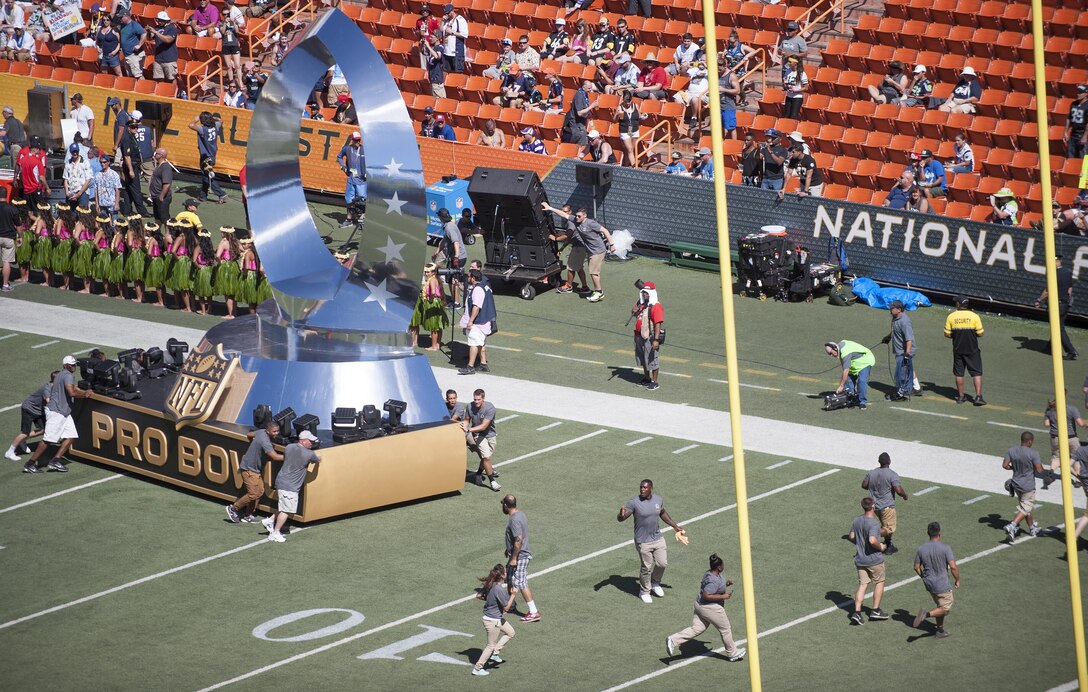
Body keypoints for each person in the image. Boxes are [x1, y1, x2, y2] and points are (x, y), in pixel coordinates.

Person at [665, 553, 746, 662]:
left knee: (697, 629)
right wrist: (724, 596)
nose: (723, 566)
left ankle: (673, 640)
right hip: (710, 608)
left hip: (700, 606)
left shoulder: (709, 573)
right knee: (725, 629)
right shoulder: (713, 580)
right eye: (722, 565)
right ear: (719, 567)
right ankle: (732, 653)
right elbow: (707, 595)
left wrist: (726, 584)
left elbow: (714, 588)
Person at [618, 479, 687, 603]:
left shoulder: (658, 500)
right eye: (641, 487)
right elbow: (623, 517)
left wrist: (675, 526)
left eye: (645, 488)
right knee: (647, 567)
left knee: (662, 563)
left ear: (651, 488)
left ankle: (655, 583)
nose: (642, 489)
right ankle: (644, 592)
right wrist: (621, 515)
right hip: (643, 541)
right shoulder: (634, 502)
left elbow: (663, 513)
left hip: (657, 538)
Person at [24, 355, 91, 473]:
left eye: (75, 364)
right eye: (71, 365)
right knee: (47, 440)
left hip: (63, 412)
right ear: (65, 365)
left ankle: (55, 460)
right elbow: (71, 392)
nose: (74, 366)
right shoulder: (68, 376)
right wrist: (84, 395)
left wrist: (83, 391)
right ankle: (30, 463)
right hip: (57, 412)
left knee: (71, 436)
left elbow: (72, 389)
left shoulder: (61, 374)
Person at [540, 202, 614, 303]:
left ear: (585, 216)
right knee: (589, 271)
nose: (577, 217)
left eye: (579, 216)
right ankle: (589, 289)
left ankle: (599, 292)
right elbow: (563, 215)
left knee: (593, 272)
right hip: (590, 250)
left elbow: (605, 230)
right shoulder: (574, 219)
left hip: (598, 250)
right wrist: (550, 208)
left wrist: (612, 244)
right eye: (577, 215)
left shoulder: (590, 223)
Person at [261, 430, 320, 542]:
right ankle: (275, 532)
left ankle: (270, 520)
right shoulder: (309, 454)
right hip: (290, 486)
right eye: (310, 441)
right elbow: (316, 460)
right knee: (287, 511)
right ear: (303, 441)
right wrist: (319, 458)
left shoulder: (288, 447)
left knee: (284, 507)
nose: (312, 443)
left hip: (281, 481)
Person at [226, 420, 284, 523]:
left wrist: (253, 445)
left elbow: (249, 435)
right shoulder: (265, 441)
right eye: (274, 431)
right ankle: (233, 509)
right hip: (249, 469)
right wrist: (289, 456)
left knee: (259, 492)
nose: (276, 433)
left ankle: (247, 515)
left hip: (256, 470)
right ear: (267, 431)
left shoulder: (260, 432)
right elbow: (274, 456)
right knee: (252, 494)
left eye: (277, 431)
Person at [911, 522, 960, 639]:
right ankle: (926, 614)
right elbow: (953, 566)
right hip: (942, 584)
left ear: (928, 533)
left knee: (940, 605)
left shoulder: (921, 549)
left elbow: (916, 567)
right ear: (939, 533)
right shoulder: (945, 548)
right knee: (946, 609)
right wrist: (957, 579)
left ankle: (940, 630)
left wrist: (923, 576)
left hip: (929, 584)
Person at [847, 497, 889, 624]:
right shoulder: (874, 523)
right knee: (879, 582)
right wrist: (881, 547)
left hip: (860, 559)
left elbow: (851, 536)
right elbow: (872, 540)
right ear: (873, 506)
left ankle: (857, 612)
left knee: (863, 585)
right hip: (874, 559)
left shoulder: (857, 520)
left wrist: (860, 543)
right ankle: (875, 610)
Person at [940, 294, 986, 406]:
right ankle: (978, 397)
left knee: (959, 373)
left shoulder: (951, 316)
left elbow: (947, 334)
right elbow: (980, 333)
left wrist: (956, 336)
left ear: (958, 304)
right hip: (972, 349)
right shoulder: (974, 316)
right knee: (976, 373)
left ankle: (961, 397)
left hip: (958, 349)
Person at [471, 563, 515, 677]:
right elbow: (506, 608)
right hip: (492, 621)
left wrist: (491, 601)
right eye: (505, 572)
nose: (507, 573)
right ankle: (477, 668)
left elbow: (478, 596)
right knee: (490, 645)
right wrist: (513, 595)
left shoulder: (491, 585)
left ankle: (495, 653)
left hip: (496, 618)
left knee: (510, 632)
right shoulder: (499, 589)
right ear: (502, 576)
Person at [502, 494, 540, 622]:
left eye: (503, 504)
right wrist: (509, 549)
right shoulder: (520, 514)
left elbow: (518, 540)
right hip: (517, 553)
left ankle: (534, 612)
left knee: (521, 582)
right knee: (509, 578)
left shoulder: (514, 520)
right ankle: (511, 605)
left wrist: (514, 558)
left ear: (506, 505)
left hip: (520, 556)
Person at [862, 452, 909, 554]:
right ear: (889, 461)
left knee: (885, 525)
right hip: (887, 506)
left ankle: (888, 545)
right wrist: (905, 496)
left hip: (875, 507)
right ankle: (870, 536)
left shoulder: (871, 472)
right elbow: (898, 490)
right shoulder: (892, 474)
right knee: (889, 528)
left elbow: (864, 485)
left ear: (879, 462)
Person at [1034, 254, 1078, 360]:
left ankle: (1071, 351)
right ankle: (1050, 347)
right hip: (1065, 304)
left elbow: (1048, 290)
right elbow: (1069, 289)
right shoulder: (1067, 272)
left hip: (1057, 305)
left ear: (1056, 261)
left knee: (1058, 328)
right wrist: (1067, 301)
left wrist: (1039, 300)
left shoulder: (1054, 273)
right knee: (1058, 326)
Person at [1002, 431, 1044, 541]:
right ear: (1029, 441)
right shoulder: (1033, 453)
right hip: (1028, 486)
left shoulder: (1011, 450)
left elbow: (1005, 465)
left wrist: (1014, 468)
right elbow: (1039, 470)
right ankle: (1012, 526)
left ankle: (1032, 528)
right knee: (1026, 508)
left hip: (1016, 484)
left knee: (1025, 507)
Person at [5, 371, 55, 460]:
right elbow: (48, 401)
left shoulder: (55, 386)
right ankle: (9, 452)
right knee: (25, 433)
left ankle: (22, 441)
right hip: (29, 409)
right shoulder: (48, 389)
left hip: (39, 411)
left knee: (43, 430)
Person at [462, 388, 500, 490]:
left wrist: (469, 429)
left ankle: (478, 473)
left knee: (485, 458)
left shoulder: (490, 408)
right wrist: (463, 426)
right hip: (478, 435)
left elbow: (484, 426)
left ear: (483, 399)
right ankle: (492, 481)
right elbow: (466, 420)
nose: (476, 402)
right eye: (475, 399)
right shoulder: (470, 406)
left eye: (478, 400)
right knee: (486, 457)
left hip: (490, 435)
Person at [459, 270, 495, 375]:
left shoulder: (478, 290)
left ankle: (470, 366)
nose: (467, 278)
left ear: (473, 278)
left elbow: (476, 306)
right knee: (481, 343)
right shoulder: (482, 287)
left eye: (469, 276)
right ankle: (483, 364)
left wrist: (470, 321)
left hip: (477, 323)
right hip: (482, 322)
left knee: (473, 343)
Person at [1043, 397, 1085, 485]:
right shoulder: (1071, 409)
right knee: (1076, 458)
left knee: (1056, 456)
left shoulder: (1049, 410)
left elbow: (1046, 424)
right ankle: (1078, 480)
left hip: (1056, 437)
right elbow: (1080, 423)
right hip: (1071, 437)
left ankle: (1052, 470)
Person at [879, 300, 916, 400]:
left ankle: (902, 395)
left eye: (892, 308)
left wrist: (907, 354)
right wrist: (888, 337)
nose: (890, 309)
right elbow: (894, 330)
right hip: (899, 351)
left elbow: (909, 339)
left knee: (902, 374)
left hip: (904, 352)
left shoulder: (905, 321)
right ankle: (908, 389)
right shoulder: (895, 318)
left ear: (899, 310)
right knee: (902, 372)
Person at [188, 112, 227, 204]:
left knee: (208, 176)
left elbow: (191, 125)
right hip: (212, 155)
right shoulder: (215, 126)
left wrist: (195, 119)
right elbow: (221, 121)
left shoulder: (202, 129)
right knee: (205, 175)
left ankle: (221, 194)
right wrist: (214, 118)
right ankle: (203, 196)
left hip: (206, 157)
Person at [825, 340, 875, 409]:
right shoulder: (840, 349)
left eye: (831, 353)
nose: (831, 355)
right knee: (848, 379)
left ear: (835, 348)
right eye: (829, 354)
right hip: (854, 362)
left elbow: (845, 370)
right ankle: (851, 399)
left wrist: (841, 386)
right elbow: (845, 369)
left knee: (862, 381)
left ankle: (862, 402)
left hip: (865, 361)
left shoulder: (845, 352)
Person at [632, 281, 663, 391]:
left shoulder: (656, 306)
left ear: (651, 293)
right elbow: (637, 315)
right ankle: (646, 378)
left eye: (646, 292)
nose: (644, 294)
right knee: (643, 358)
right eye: (643, 292)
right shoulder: (642, 303)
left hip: (650, 337)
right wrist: (634, 311)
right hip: (639, 335)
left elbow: (658, 324)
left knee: (651, 359)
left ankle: (655, 382)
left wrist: (656, 339)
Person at [409, 262, 447, 350]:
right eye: (425, 272)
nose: (426, 274)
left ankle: (434, 346)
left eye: (428, 272)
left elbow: (433, 292)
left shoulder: (432, 280)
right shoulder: (434, 279)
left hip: (433, 302)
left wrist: (429, 300)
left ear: (433, 272)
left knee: (434, 325)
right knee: (438, 324)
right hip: (437, 302)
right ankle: (437, 344)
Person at [118, 119, 148, 217]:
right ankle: (142, 211)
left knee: (128, 189)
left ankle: (127, 210)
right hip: (130, 166)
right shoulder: (127, 139)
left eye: (136, 127)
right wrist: (131, 170)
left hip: (134, 165)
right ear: (128, 128)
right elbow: (127, 156)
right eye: (133, 127)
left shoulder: (132, 137)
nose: (135, 129)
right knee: (136, 189)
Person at [335, 132, 366, 227]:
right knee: (349, 200)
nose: (357, 142)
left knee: (362, 200)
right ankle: (349, 220)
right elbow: (339, 156)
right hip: (351, 179)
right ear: (352, 140)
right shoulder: (347, 149)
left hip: (361, 180)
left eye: (359, 140)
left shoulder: (364, 150)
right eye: (356, 140)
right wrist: (343, 167)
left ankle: (362, 221)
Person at [563, 80, 597, 146]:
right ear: (583, 88)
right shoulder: (579, 96)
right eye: (589, 88)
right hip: (577, 124)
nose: (590, 90)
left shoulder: (584, 94)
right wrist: (591, 107)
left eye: (591, 88)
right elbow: (579, 113)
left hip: (581, 123)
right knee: (581, 144)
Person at [148, 11, 178, 83]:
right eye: (158, 20)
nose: (159, 21)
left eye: (160, 20)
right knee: (159, 78)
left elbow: (168, 40)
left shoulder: (172, 28)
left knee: (171, 78)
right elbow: (150, 38)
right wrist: (149, 32)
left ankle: (175, 92)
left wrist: (156, 32)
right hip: (158, 58)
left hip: (169, 58)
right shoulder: (157, 27)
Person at [63, 143, 93, 209]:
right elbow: (65, 179)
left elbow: (88, 180)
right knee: (72, 215)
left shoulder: (85, 162)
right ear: (70, 152)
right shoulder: (68, 163)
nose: (75, 153)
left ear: (78, 151)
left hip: (83, 193)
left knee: (83, 214)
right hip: (71, 193)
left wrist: (79, 194)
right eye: (73, 152)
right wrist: (67, 192)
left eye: (76, 151)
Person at [148, 147, 173, 224]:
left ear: (161, 155)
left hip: (161, 197)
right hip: (155, 196)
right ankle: (157, 233)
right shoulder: (159, 165)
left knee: (165, 218)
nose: (155, 154)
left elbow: (167, 183)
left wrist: (161, 196)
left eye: (156, 153)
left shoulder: (166, 167)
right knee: (158, 218)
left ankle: (169, 234)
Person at [93, 154, 122, 219]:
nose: (102, 164)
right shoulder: (97, 175)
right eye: (101, 162)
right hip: (102, 204)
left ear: (108, 162)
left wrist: (116, 203)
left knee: (114, 224)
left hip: (112, 203)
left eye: (104, 162)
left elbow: (117, 190)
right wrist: (97, 204)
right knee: (104, 224)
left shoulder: (114, 174)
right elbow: (96, 190)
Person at [440, 3, 467, 74]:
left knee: (457, 73)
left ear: (452, 11)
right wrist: (442, 21)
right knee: (446, 73)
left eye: (448, 13)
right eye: (445, 13)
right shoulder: (447, 20)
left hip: (457, 52)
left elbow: (465, 34)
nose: (446, 15)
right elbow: (441, 30)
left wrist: (452, 32)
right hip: (446, 51)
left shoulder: (460, 20)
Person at [1065, 84, 1087, 160]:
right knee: (1070, 156)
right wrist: (1066, 131)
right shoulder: (1073, 104)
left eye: (1080, 92)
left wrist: (1085, 136)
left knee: (1083, 157)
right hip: (1073, 134)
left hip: (1082, 134)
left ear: (1086, 94)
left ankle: (1085, 172)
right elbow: (1069, 117)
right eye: (1077, 92)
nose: (1078, 94)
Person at [0, 186, 14, 291]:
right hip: (8, 237)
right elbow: (18, 225)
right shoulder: (11, 208)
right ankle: (5, 284)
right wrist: (21, 236)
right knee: (6, 262)